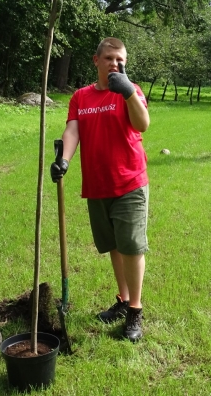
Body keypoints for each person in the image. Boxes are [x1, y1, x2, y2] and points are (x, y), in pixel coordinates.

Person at [50, 37, 150, 342]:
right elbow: (73, 128)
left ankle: (135, 310)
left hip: (129, 181)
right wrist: (63, 160)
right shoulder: (81, 96)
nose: (115, 64)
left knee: (132, 245)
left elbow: (142, 124)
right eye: (109, 58)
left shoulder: (129, 92)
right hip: (97, 184)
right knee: (114, 246)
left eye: (120, 60)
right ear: (96, 61)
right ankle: (122, 300)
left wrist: (129, 91)